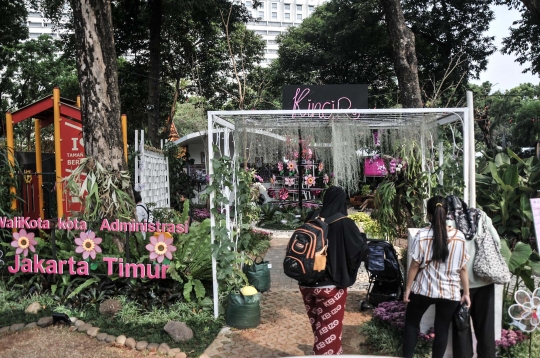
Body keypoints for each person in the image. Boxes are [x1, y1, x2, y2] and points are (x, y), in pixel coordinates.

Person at [300, 186, 367, 355]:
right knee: (328, 335)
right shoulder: (345, 223)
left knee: (321, 330)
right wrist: (363, 240)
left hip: (307, 283)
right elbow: (357, 251)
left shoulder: (311, 217)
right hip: (330, 287)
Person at [403, 196, 471, 358]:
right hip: (450, 293)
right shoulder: (459, 237)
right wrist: (466, 293)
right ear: (447, 214)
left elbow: (414, 265)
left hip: (423, 290)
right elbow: (463, 269)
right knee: (442, 329)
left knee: (412, 324)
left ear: (429, 214)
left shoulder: (422, 235)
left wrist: (407, 289)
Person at [448, 196, 499, 358]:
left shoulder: (446, 220)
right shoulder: (481, 215)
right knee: (486, 327)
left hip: (460, 284)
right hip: (484, 279)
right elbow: (496, 241)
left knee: (461, 326)